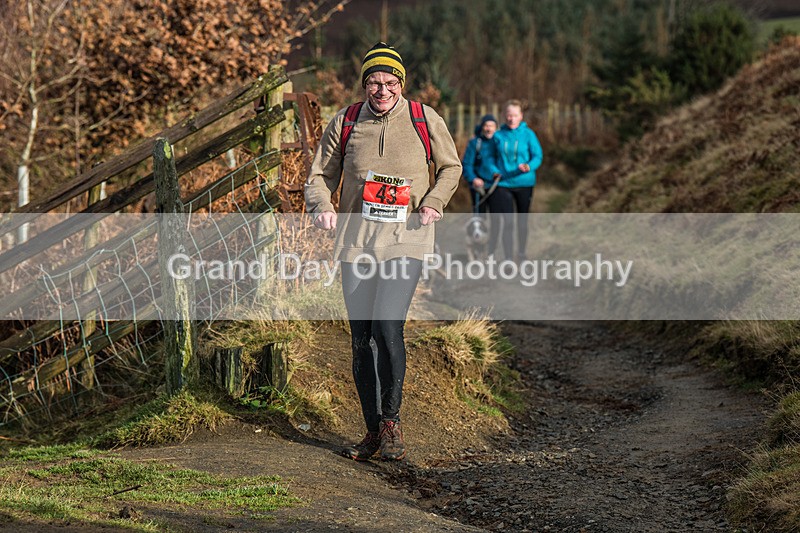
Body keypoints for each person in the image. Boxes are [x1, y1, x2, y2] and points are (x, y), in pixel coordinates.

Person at [304, 42, 462, 461]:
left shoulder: (423, 118)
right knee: (361, 339)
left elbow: (451, 167)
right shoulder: (347, 121)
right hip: (356, 243)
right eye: (374, 82)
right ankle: (371, 430)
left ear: (401, 84)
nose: (382, 90)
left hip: (406, 240)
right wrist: (322, 207)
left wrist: (433, 202)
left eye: (390, 82)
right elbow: (318, 175)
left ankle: (391, 423)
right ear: (364, 84)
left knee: (387, 328)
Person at [480, 100, 543, 261]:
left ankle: (521, 252)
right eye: (508, 115)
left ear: (521, 116)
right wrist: (494, 171)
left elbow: (538, 156)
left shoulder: (529, 134)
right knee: (507, 222)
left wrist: (529, 166)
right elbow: (489, 157)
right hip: (503, 184)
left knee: (522, 222)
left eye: (515, 115)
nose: (511, 119)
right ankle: (508, 258)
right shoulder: (498, 136)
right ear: (504, 116)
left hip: (524, 183)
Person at [461, 114, 499, 213]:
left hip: (497, 185)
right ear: (482, 127)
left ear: (496, 128)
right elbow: (467, 164)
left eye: (492, 126)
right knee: (479, 216)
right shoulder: (475, 143)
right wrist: (473, 179)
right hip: (478, 186)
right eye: (486, 125)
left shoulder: (499, 142)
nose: (489, 129)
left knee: (497, 217)